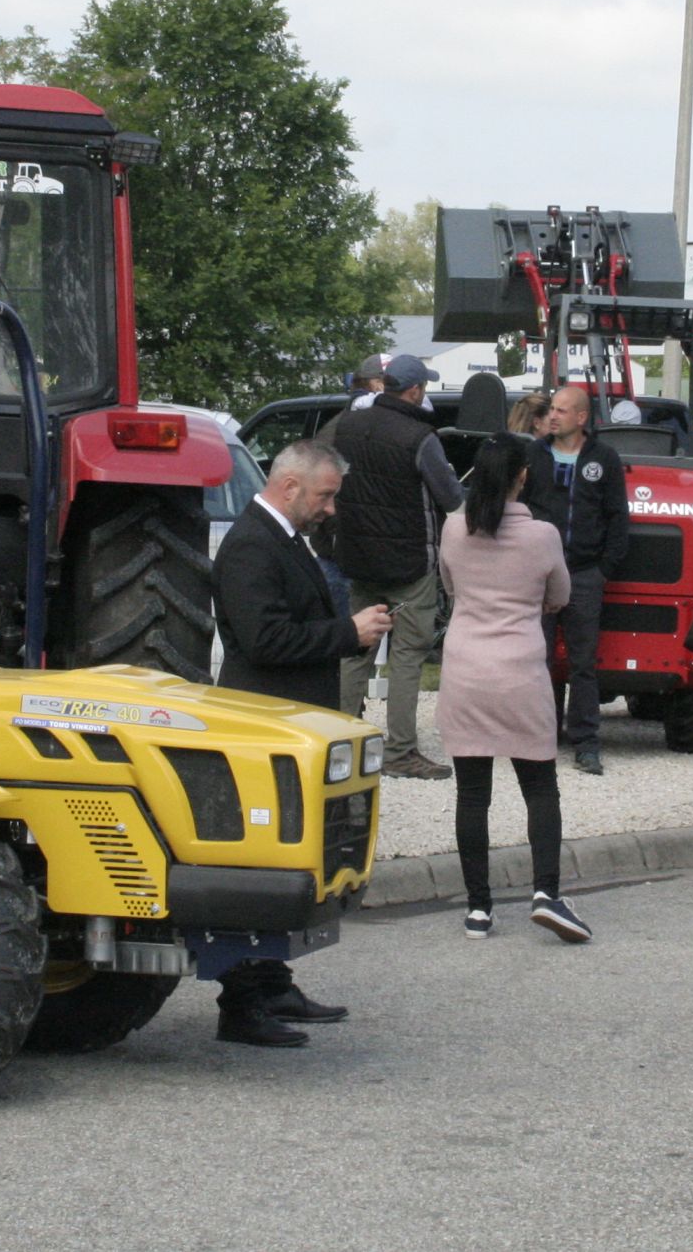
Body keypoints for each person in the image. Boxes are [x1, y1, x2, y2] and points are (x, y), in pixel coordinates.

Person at [211, 440, 393, 1046]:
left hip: (290, 729)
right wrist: (347, 632)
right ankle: (242, 1004)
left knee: (290, 859)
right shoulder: (251, 545)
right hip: (260, 729)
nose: (330, 509)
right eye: (325, 496)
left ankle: (272, 982)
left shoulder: (283, 538)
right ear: (289, 487)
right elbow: (264, 641)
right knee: (255, 865)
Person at [436, 433, 591, 942]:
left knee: (472, 793)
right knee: (540, 786)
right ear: (523, 475)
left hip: (465, 669)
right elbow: (560, 594)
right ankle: (546, 892)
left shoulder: (454, 528)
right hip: (520, 671)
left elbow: (451, 586)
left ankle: (478, 909)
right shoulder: (543, 535)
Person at [333, 353, 462, 780]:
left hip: (358, 559)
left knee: (356, 650)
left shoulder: (348, 426)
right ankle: (401, 750)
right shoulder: (419, 436)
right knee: (407, 656)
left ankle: (339, 742)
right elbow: (450, 497)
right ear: (415, 390)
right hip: (409, 567)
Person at [522, 383, 630, 775]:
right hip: (539, 575)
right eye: (551, 409)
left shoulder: (604, 458)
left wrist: (603, 570)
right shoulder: (533, 455)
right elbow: (518, 508)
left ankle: (586, 743)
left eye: (561, 410)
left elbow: (618, 517)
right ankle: (539, 739)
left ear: (581, 417)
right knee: (537, 659)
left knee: (583, 663)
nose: (552, 416)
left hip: (585, 575)